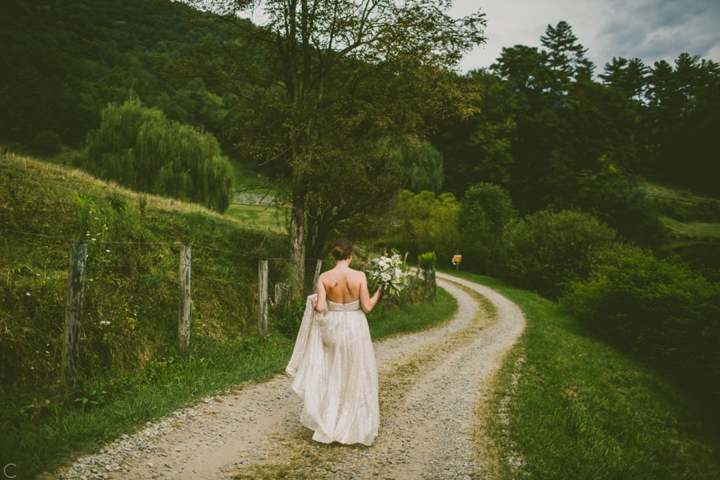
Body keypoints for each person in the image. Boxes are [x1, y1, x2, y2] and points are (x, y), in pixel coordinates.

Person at [286, 238, 382, 446]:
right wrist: (379, 292)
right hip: (356, 326)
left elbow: (320, 307)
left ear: (334, 255)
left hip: (334, 327)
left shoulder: (325, 277)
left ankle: (331, 419)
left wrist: (313, 300)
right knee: (356, 371)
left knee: (333, 371)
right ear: (351, 256)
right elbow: (367, 307)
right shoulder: (359, 276)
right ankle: (355, 422)